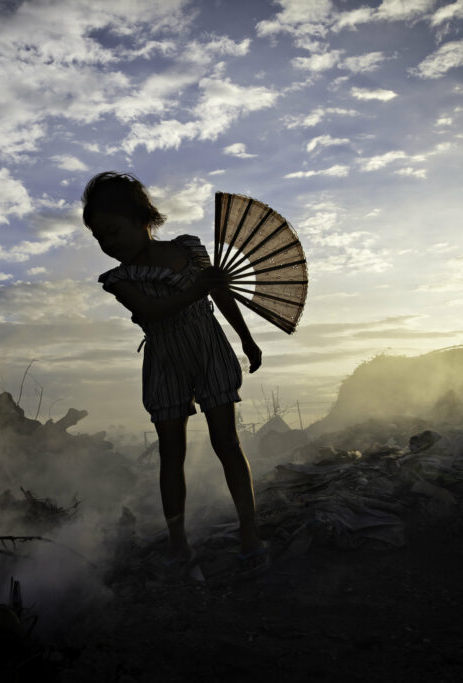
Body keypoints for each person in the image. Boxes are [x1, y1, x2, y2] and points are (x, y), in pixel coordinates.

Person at [82, 171, 267, 573]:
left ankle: (250, 532)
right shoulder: (119, 279)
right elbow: (152, 312)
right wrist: (196, 290)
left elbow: (221, 292)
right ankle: (178, 542)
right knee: (171, 453)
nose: (109, 245)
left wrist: (246, 339)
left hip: (209, 349)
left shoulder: (189, 249)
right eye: (100, 239)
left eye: (114, 231)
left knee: (227, 443)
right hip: (165, 360)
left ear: (143, 219)